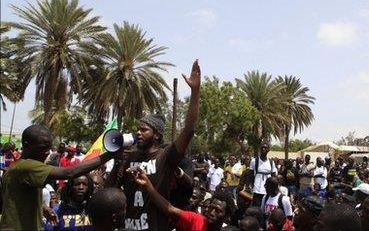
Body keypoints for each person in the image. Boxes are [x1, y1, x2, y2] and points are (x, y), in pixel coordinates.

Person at [105, 60, 201, 231]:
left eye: (144, 130)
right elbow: (108, 191)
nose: (138, 133)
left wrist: (195, 91)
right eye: (138, 130)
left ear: (157, 135)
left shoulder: (165, 156)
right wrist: (117, 161)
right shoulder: (130, 157)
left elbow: (189, 130)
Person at [0, 125, 117, 230]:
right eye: (42, 148)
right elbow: (69, 173)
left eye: (49, 148)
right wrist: (110, 154)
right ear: (26, 146)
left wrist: (42, 208)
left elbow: (14, 201)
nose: (47, 152)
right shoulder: (28, 166)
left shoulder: (14, 168)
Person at [132, 167, 236, 231]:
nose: (212, 212)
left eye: (218, 211)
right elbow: (169, 209)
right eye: (211, 208)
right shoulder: (196, 220)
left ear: (226, 215)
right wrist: (148, 185)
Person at [248, 142, 277, 207]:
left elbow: (274, 176)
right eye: (262, 148)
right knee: (257, 208)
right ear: (260, 149)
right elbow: (251, 175)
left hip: (268, 190)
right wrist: (251, 186)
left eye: (265, 148)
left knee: (266, 208)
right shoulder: (254, 161)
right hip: (257, 189)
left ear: (268, 150)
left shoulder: (271, 162)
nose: (263, 149)